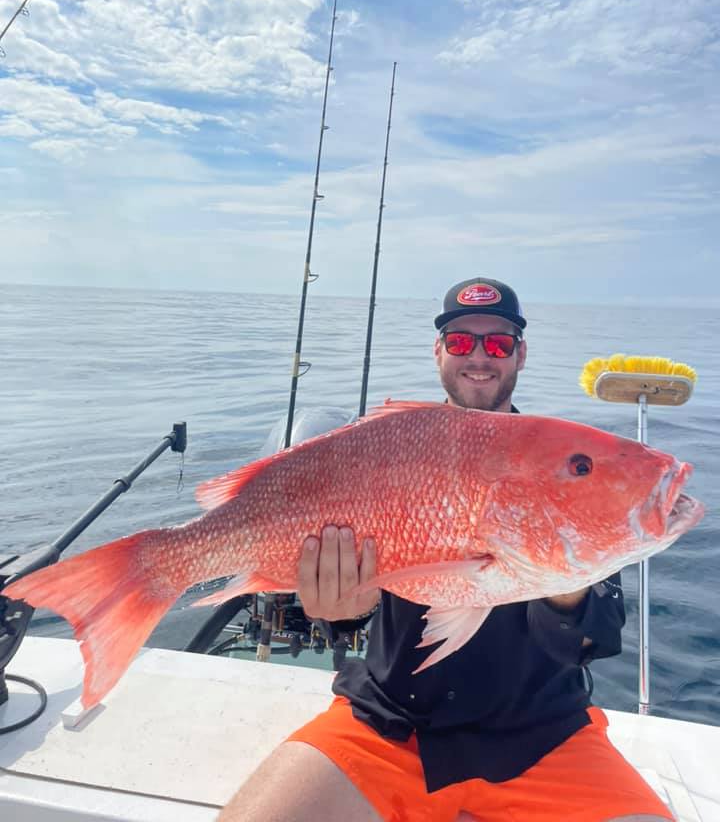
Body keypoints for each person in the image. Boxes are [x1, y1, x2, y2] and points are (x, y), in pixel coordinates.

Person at [219, 277, 672, 822]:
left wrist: (566, 582)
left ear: (520, 354)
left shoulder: (561, 462)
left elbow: (593, 640)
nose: (479, 357)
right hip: (388, 725)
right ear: (438, 351)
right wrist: (339, 611)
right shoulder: (392, 444)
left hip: (546, 739)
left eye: (498, 343)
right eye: (460, 341)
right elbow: (350, 617)